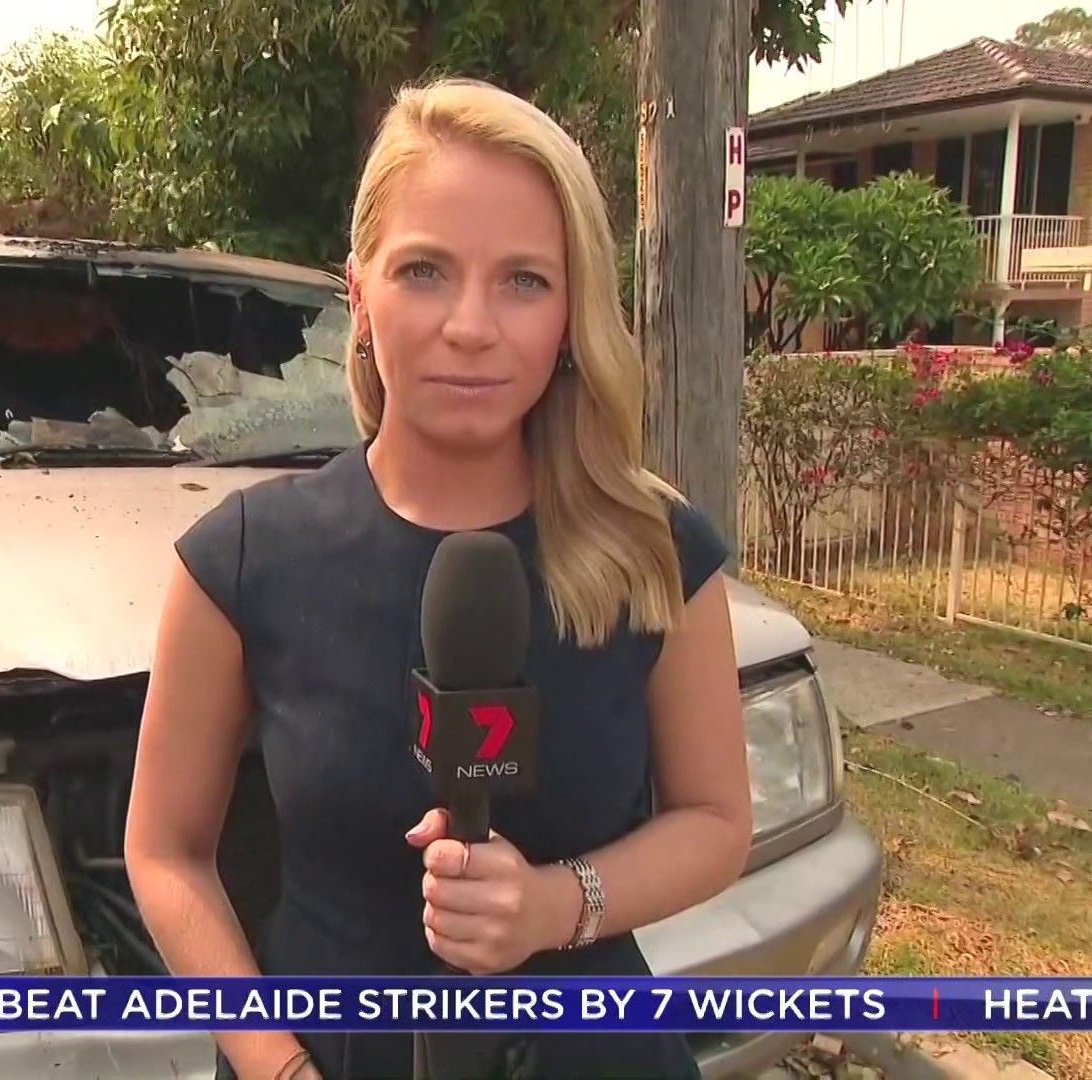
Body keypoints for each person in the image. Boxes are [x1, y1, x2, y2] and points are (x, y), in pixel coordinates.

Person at [126, 77, 751, 1080]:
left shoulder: (655, 551)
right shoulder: (240, 562)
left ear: (572, 312)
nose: (471, 325)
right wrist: (275, 1066)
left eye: (524, 281)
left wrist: (555, 904)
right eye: (425, 270)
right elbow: (165, 854)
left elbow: (717, 825)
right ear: (359, 294)